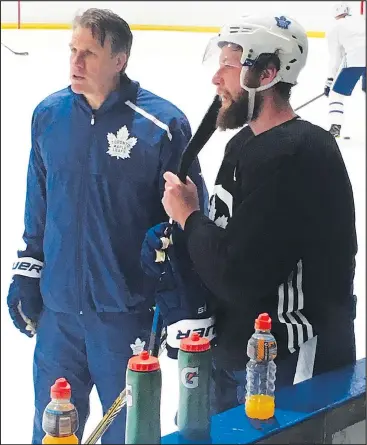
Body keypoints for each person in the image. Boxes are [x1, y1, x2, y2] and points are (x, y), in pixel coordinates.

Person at [6, 8, 208, 444]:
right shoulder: (49, 114)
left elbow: (189, 217)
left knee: (128, 435)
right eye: (73, 51)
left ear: (120, 60)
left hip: (127, 315)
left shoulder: (162, 125)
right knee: (54, 432)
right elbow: (37, 201)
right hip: (59, 314)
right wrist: (29, 265)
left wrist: (184, 296)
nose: (76, 64)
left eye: (90, 54)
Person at [142, 13, 358, 415]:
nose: (216, 78)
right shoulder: (244, 143)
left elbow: (238, 274)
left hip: (285, 366)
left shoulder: (298, 156)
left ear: (267, 72)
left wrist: (190, 217)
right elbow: (226, 243)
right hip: (236, 354)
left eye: (229, 63)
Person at [324, 2, 366, 138]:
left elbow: (336, 57)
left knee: (336, 94)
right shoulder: (361, 20)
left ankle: (335, 126)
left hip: (355, 60)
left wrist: (330, 81)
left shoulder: (335, 27)